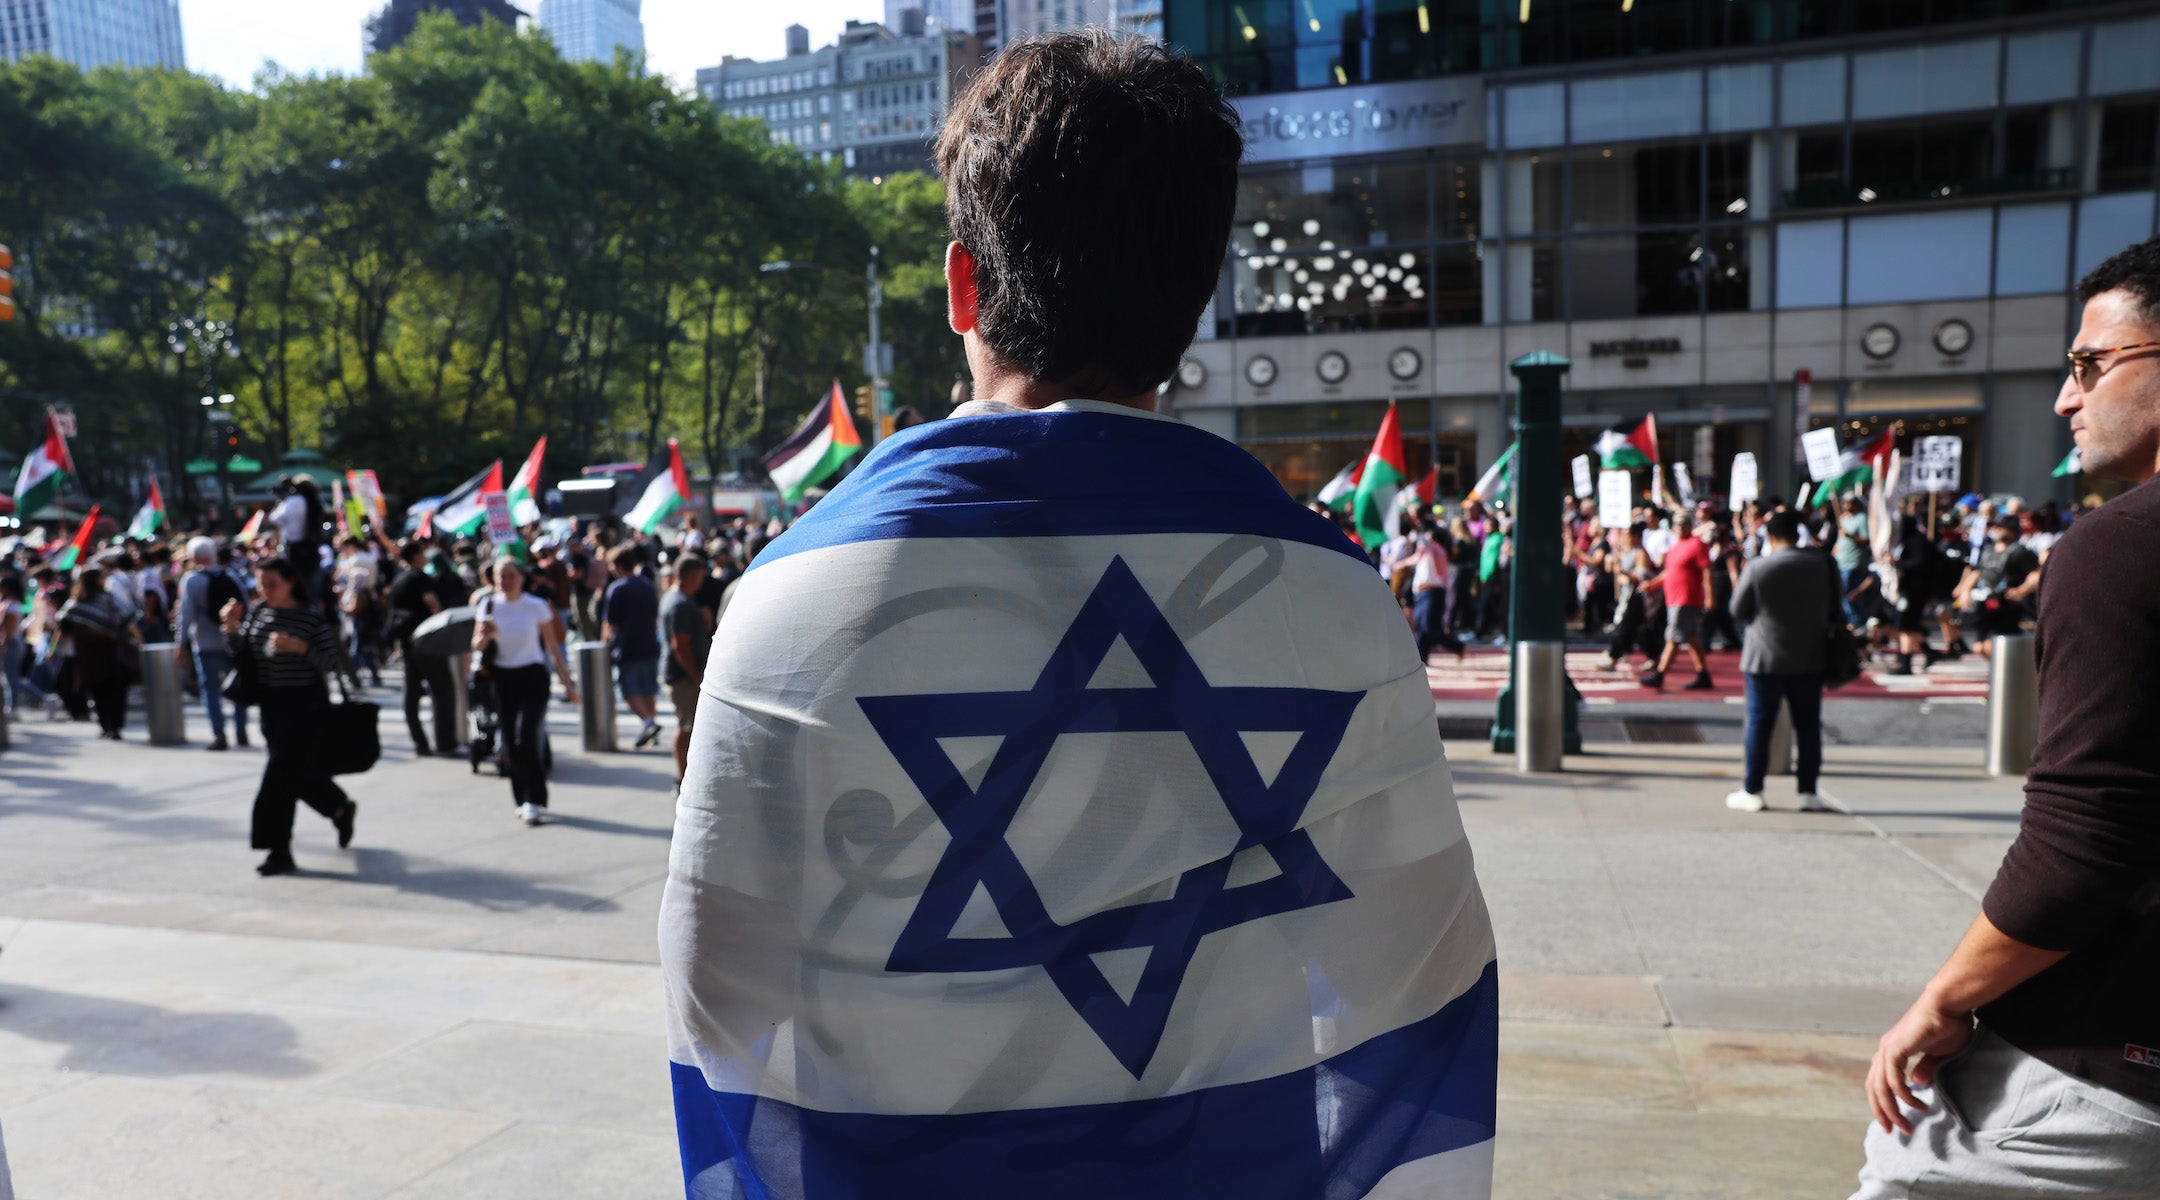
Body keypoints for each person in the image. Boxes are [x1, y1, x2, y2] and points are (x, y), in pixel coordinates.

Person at [662, 32, 1496, 1197]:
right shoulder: (1334, 598)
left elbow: (721, 988)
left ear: (963, 282)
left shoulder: (788, 602)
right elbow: (1416, 976)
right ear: (1193, 304)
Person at [1854, 236, 2160, 1198]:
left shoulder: (2116, 551)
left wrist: (1942, 1000)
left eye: (2089, 364)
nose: (2067, 398)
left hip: (2094, 1074)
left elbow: (2085, 838)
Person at [219, 556, 355, 876]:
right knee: (293, 774)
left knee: (277, 780)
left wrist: (300, 649)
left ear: (291, 581)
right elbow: (243, 655)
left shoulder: (310, 619)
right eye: (261, 584)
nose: (266, 591)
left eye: (273, 584)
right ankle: (338, 807)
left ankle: (278, 849)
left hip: (304, 706)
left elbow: (333, 663)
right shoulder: (259, 613)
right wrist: (231, 628)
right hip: (271, 705)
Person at [1723, 510, 1840, 813]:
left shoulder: (1759, 567)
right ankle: (1807, 791)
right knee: (1809, 727)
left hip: (1765, 657)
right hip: (1810, 655)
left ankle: (1753, 789)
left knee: (1759, 725)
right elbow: (1835, 608)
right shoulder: (1822, 565)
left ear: (1770, 536)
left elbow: (1737, 609)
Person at [472, 555, 575, 826]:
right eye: (500, 576)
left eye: (510, 575)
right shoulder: (489, 604)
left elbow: (553, 647)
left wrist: (568, 684)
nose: (505, 581)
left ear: (521, 577)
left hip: (533, 675)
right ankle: (522, 798)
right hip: (503, 678)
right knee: (510, 740)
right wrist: (485, 634)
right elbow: (477, 645)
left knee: (527, 737)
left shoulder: (536, 606)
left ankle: (534, 798)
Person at [174, 536, 247, 750]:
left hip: (205, 643)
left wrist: (180, 644)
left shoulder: (192, 580)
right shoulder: (231, 575)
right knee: (238, 686)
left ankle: (219, 734)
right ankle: (241, 731)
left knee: (211, 691)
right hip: (232, 642)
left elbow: (185, 615)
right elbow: (246, 606)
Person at [54, 568, 137, 740]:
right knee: (113, 691)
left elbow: (64, 625)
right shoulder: (107, 599)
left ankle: (107, 725)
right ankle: (114, 725)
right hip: (108, 652)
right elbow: (127, 620)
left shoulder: (78, 602)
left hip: (90, 655)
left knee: (99, 690)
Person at [1635, 519, 1716, 690]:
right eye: (1677, 524)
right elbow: (1670, 572)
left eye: (1683, 523)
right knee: (1691, 637)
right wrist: (1652, 584)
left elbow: (1707, 571)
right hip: (1674, 598)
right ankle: (1703, 675)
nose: (1680, 527)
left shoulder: (1696, 545)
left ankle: (1660, 673)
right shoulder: (1676, 546)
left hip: (1686, 598)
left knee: (1673, 636)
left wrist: (1710, 596)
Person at [1950, 514, 2041, 660]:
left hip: (2006, 605)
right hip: (1984, 603)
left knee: (1999, 645)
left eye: (2000, 527)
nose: (1996, 530)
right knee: (1980, 647)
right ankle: (2000, 674)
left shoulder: (2020, 552)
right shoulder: (1987, 550)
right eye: (1995, 527)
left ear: (2011, 530)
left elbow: (2037, 574)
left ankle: (2005, 676)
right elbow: (1977, 572)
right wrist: (1965, 591)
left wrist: (2021, 591)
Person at [600, 543, 662, 748]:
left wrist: (603, 646)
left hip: (627, 647)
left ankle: (649, 722)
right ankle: (650, 728)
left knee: (629, 692)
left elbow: (609, 623)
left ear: (617, 565)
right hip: (649, 644)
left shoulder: (616, 589)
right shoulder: (647, 585)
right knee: (648, 690)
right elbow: (655, 619)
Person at [659, 554, 711, 789]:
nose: (701, 581)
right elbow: (680, 645)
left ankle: (684, 776)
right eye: (700, 576)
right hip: (683, 678)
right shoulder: (679, 603)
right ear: (691, 575)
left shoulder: (676, 598)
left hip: (682, 675)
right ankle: (681, 778)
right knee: (686, 727)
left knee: (688, 726)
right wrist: (696, 677)